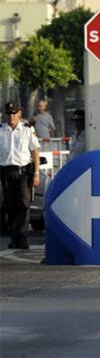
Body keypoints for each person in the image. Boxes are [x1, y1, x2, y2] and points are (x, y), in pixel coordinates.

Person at [0, 102, 40, 249]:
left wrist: (36, 173)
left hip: (23, 172)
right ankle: (14, 236)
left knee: (24, 204)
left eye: (14, 113)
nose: (11, 116)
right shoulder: (1, 130)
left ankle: (22, 238)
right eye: (9, 113)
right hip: (5, 171)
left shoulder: (27, 130)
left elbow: (35, 152)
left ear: (19, 114)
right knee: (10, 206)